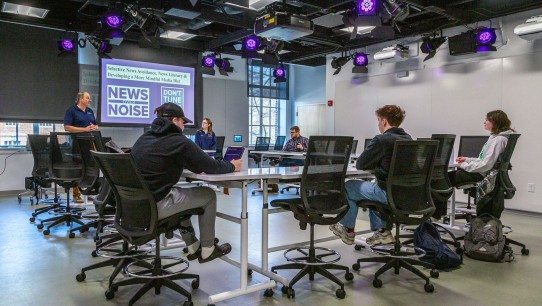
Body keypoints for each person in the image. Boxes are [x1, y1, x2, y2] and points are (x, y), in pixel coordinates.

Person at [131, 103, 242, 263]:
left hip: (135, 207)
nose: (184, 125)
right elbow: (211, 166)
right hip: (154, 206)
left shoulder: (144, 138)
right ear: (175, 120)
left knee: (182, 195)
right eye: (183, 121)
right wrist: (233, 165)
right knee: (208, 195)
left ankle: (193, 245)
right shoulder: (178, 141)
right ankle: (208, 249)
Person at [329, 105, 412, 245]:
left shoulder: (382, 139)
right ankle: (382, 231)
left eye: (379, 120)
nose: (378, 124)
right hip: (407, 194)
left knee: (349, 185)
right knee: (372, 187)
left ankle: (347, 229)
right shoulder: (408, 139)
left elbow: (361, 164)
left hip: (387, 194)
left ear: (384, 121)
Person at [432, 110, 515, 220]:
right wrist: (467, 159)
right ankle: (439, 214)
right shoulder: (500, 137)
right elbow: (485, 160)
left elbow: (485, 165)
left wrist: (463, 165)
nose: (484, 122)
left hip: (480, 174)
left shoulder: (498, 140)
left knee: (441, 179)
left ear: (495, 122)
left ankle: (436, 215)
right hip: (486, 173)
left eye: (487, 120)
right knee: (445, 178)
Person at [63, 91, 99, 203]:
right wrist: (85, 129)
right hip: (78, 144)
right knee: (78, 167)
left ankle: (89, 192)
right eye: (87, 98)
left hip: (91, 143)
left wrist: (95, 127)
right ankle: (76, 194)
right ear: (80, 99)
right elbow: (67, 127)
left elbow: (95, 125)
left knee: (92, 167)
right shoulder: (71, 111)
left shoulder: (90, 111)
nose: (89, 100)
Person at [194, 118, 220, 192]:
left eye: (205, 123)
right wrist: (201, 153)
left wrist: (211, 153)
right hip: (201, 154)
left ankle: (212, 185)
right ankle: (204, 184)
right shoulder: (198, 133)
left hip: (210, 154)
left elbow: (214, 144)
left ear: (209, 125)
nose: (203, 124)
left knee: (212, 169)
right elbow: (197, 144)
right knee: (203, 170)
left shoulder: (212, 134)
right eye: (202, 123)